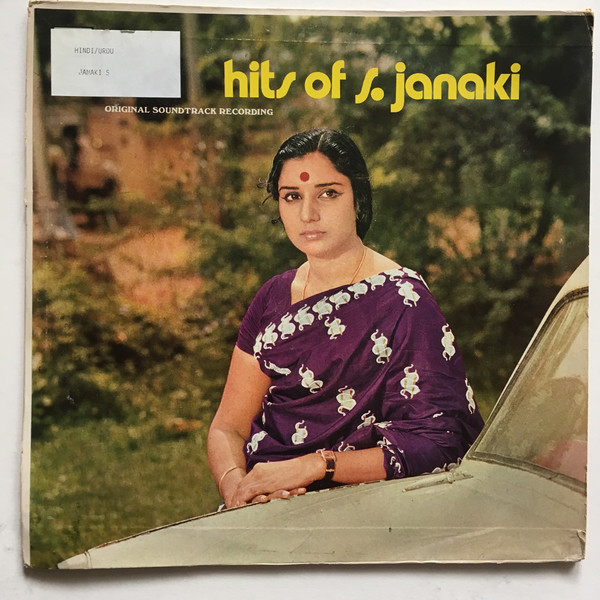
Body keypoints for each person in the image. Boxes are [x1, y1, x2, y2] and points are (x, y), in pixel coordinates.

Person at [207, 128, 484, 509]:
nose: (308, 214)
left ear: (358, 199)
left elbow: (440, 442)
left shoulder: (403, 301)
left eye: (328, 193)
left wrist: (316, 466)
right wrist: (237, 490)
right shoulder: (272, 296)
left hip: (361, 509)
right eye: (292, 196)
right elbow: (228, 427)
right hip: (260, 503)